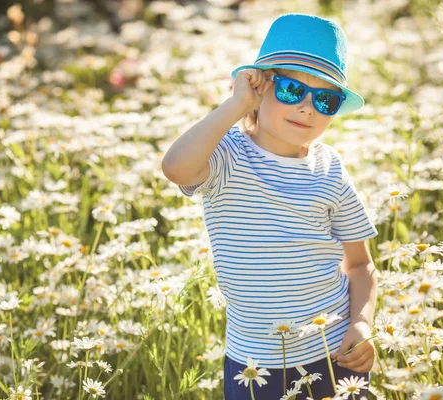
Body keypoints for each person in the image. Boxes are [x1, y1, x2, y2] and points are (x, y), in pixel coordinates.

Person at [162, 13, 378, 400]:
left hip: (334, 353)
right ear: (259, 88)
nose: (308, 108)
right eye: (292, 90)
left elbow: (360, 264)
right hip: (255, 363)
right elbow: (176, 168)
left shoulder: (329, 170)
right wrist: (235, 104)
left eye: (326, 98)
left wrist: (362, 323)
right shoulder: (226, 154)